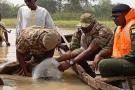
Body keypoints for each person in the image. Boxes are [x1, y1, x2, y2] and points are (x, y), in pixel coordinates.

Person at [57, 13, 113, 78]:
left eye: (86, 27)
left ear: (93, 23)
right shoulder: (81, 30)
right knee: (76, 55)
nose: (83, 29)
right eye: (82, 26)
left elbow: (90, 50)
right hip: (89, 51)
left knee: (79, 57)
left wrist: (69, 63)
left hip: (104, 54)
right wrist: (55, 61)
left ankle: (93, 75)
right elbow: (73, 50)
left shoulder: (103, 31)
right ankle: (90, 73)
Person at [92, 4, 135, 77]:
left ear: (126, 15)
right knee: (101, 59)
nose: (114, 19)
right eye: (113, 17)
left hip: (132, 62)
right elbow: (109, 47)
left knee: (104, 64)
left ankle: (116, 85)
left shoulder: (133, 28)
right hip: (124, 60)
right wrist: (99, 55)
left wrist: (116, 59)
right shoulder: (117, 29)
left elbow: (133, 54)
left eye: (116, 16)